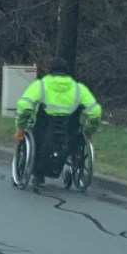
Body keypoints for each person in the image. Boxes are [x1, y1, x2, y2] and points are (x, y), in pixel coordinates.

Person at [14, 57, 102, 186]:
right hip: (70, 135)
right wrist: (88, 131)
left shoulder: (41, 85)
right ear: (67, 72)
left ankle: (39, 175)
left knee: (35, 131)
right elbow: (95, 112)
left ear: (50, 71)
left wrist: (20, 127)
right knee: (76, 137)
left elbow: (24, 106)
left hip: (43, 133)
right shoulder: (79, 89)